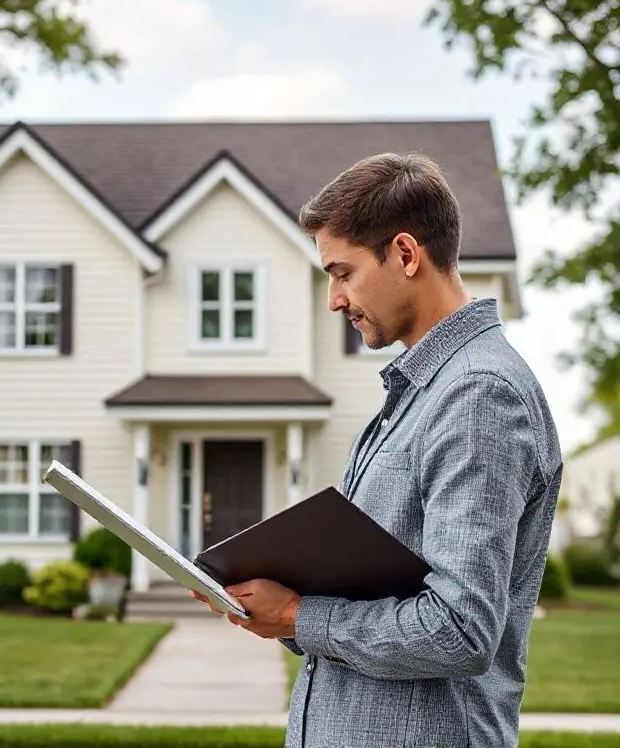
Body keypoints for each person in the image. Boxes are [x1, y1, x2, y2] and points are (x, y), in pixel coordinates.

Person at [191, 152, 563, 748]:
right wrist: (283, 608)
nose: (335, 300)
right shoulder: (422, 391)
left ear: (407, 254)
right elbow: (372, 597)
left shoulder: (478, 397)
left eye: (343, 273)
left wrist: (298, 615)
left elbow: (459, 630)